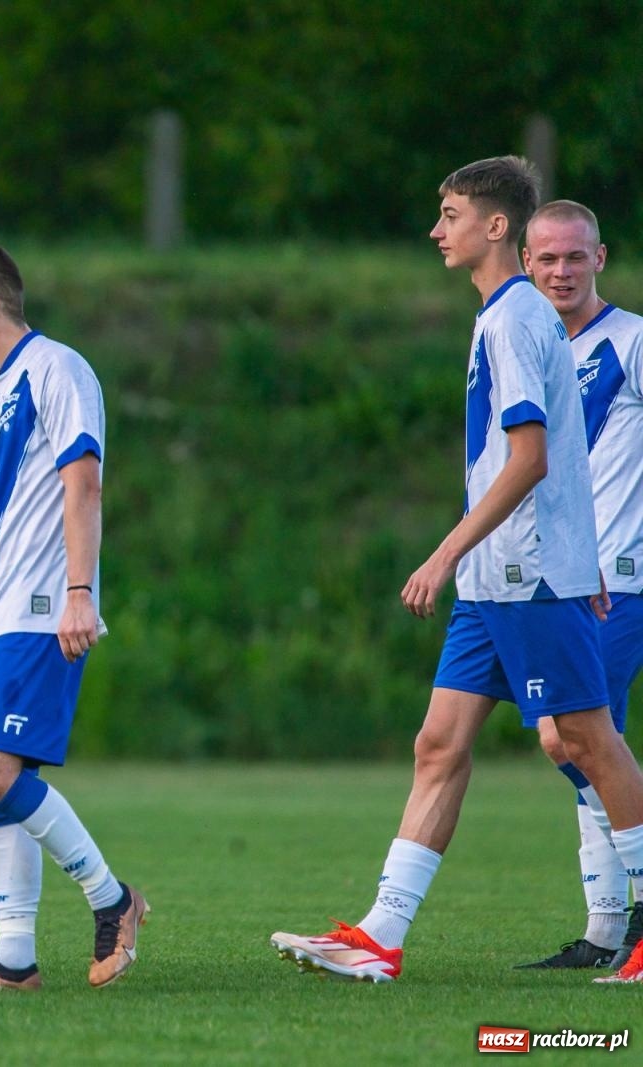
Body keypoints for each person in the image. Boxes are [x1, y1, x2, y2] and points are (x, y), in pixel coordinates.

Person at [271, 156, 643, 985]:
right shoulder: (502, 315)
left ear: (494, 225)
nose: (437, 230)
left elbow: (530, 459)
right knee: (438, 743)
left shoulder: (514, 318)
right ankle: (381, 934)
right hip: (494, 579)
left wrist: (445, 550)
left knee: (585, 738)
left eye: (449, 214)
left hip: (529, 573)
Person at [0, 241, 147, 990]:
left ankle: (113, 898)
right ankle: (15, 958)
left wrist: (80, 591)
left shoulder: (59, 368)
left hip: (43, 605)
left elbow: (84, 481)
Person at [515, 199, 643, 969]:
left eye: (574, 256)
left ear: (600, 258)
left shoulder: (632, 341)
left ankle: (622, 921)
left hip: (622, 575)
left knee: (577, 735)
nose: (561, 271)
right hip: (552, 580)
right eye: (547, 259)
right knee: (575, 741)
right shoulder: (526, 345)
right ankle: (604, 928)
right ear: (527, 265)